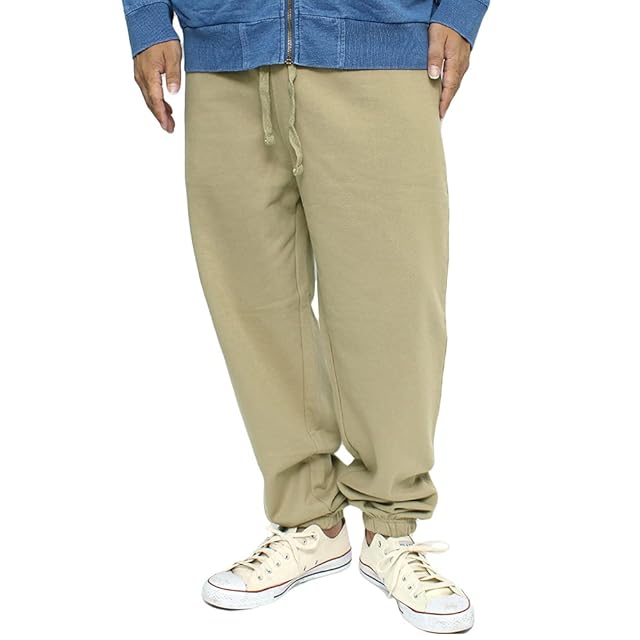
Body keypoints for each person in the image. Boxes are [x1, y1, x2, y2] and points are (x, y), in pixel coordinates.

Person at [122, 0, 489, 633]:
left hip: (379, 44)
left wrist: (459, 10)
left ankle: (391, 527)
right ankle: (308, 520)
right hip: (225, 50)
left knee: (393, 305)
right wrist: (148, 18)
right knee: (251, 302)